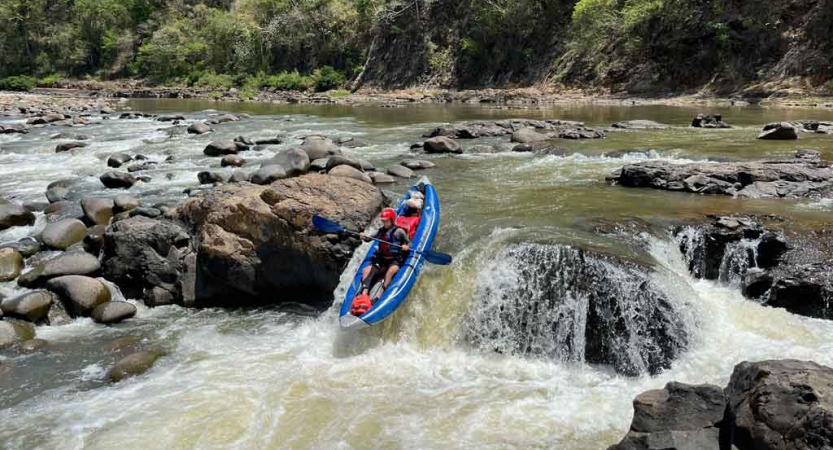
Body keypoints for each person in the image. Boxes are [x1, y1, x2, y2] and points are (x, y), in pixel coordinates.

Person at [351, 208, 410, 315]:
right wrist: (363, 236)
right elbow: (369, 239)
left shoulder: (399, 232)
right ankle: (364, 295)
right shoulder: (380, 231)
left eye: (386, 220)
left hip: (395, 259)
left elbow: (408, 243)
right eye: (383, 220)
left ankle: (378, 296)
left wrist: (406, 247)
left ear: (392, 220)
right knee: (368, 271)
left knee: (390, 272)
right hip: (382, 258)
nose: (384, 222)